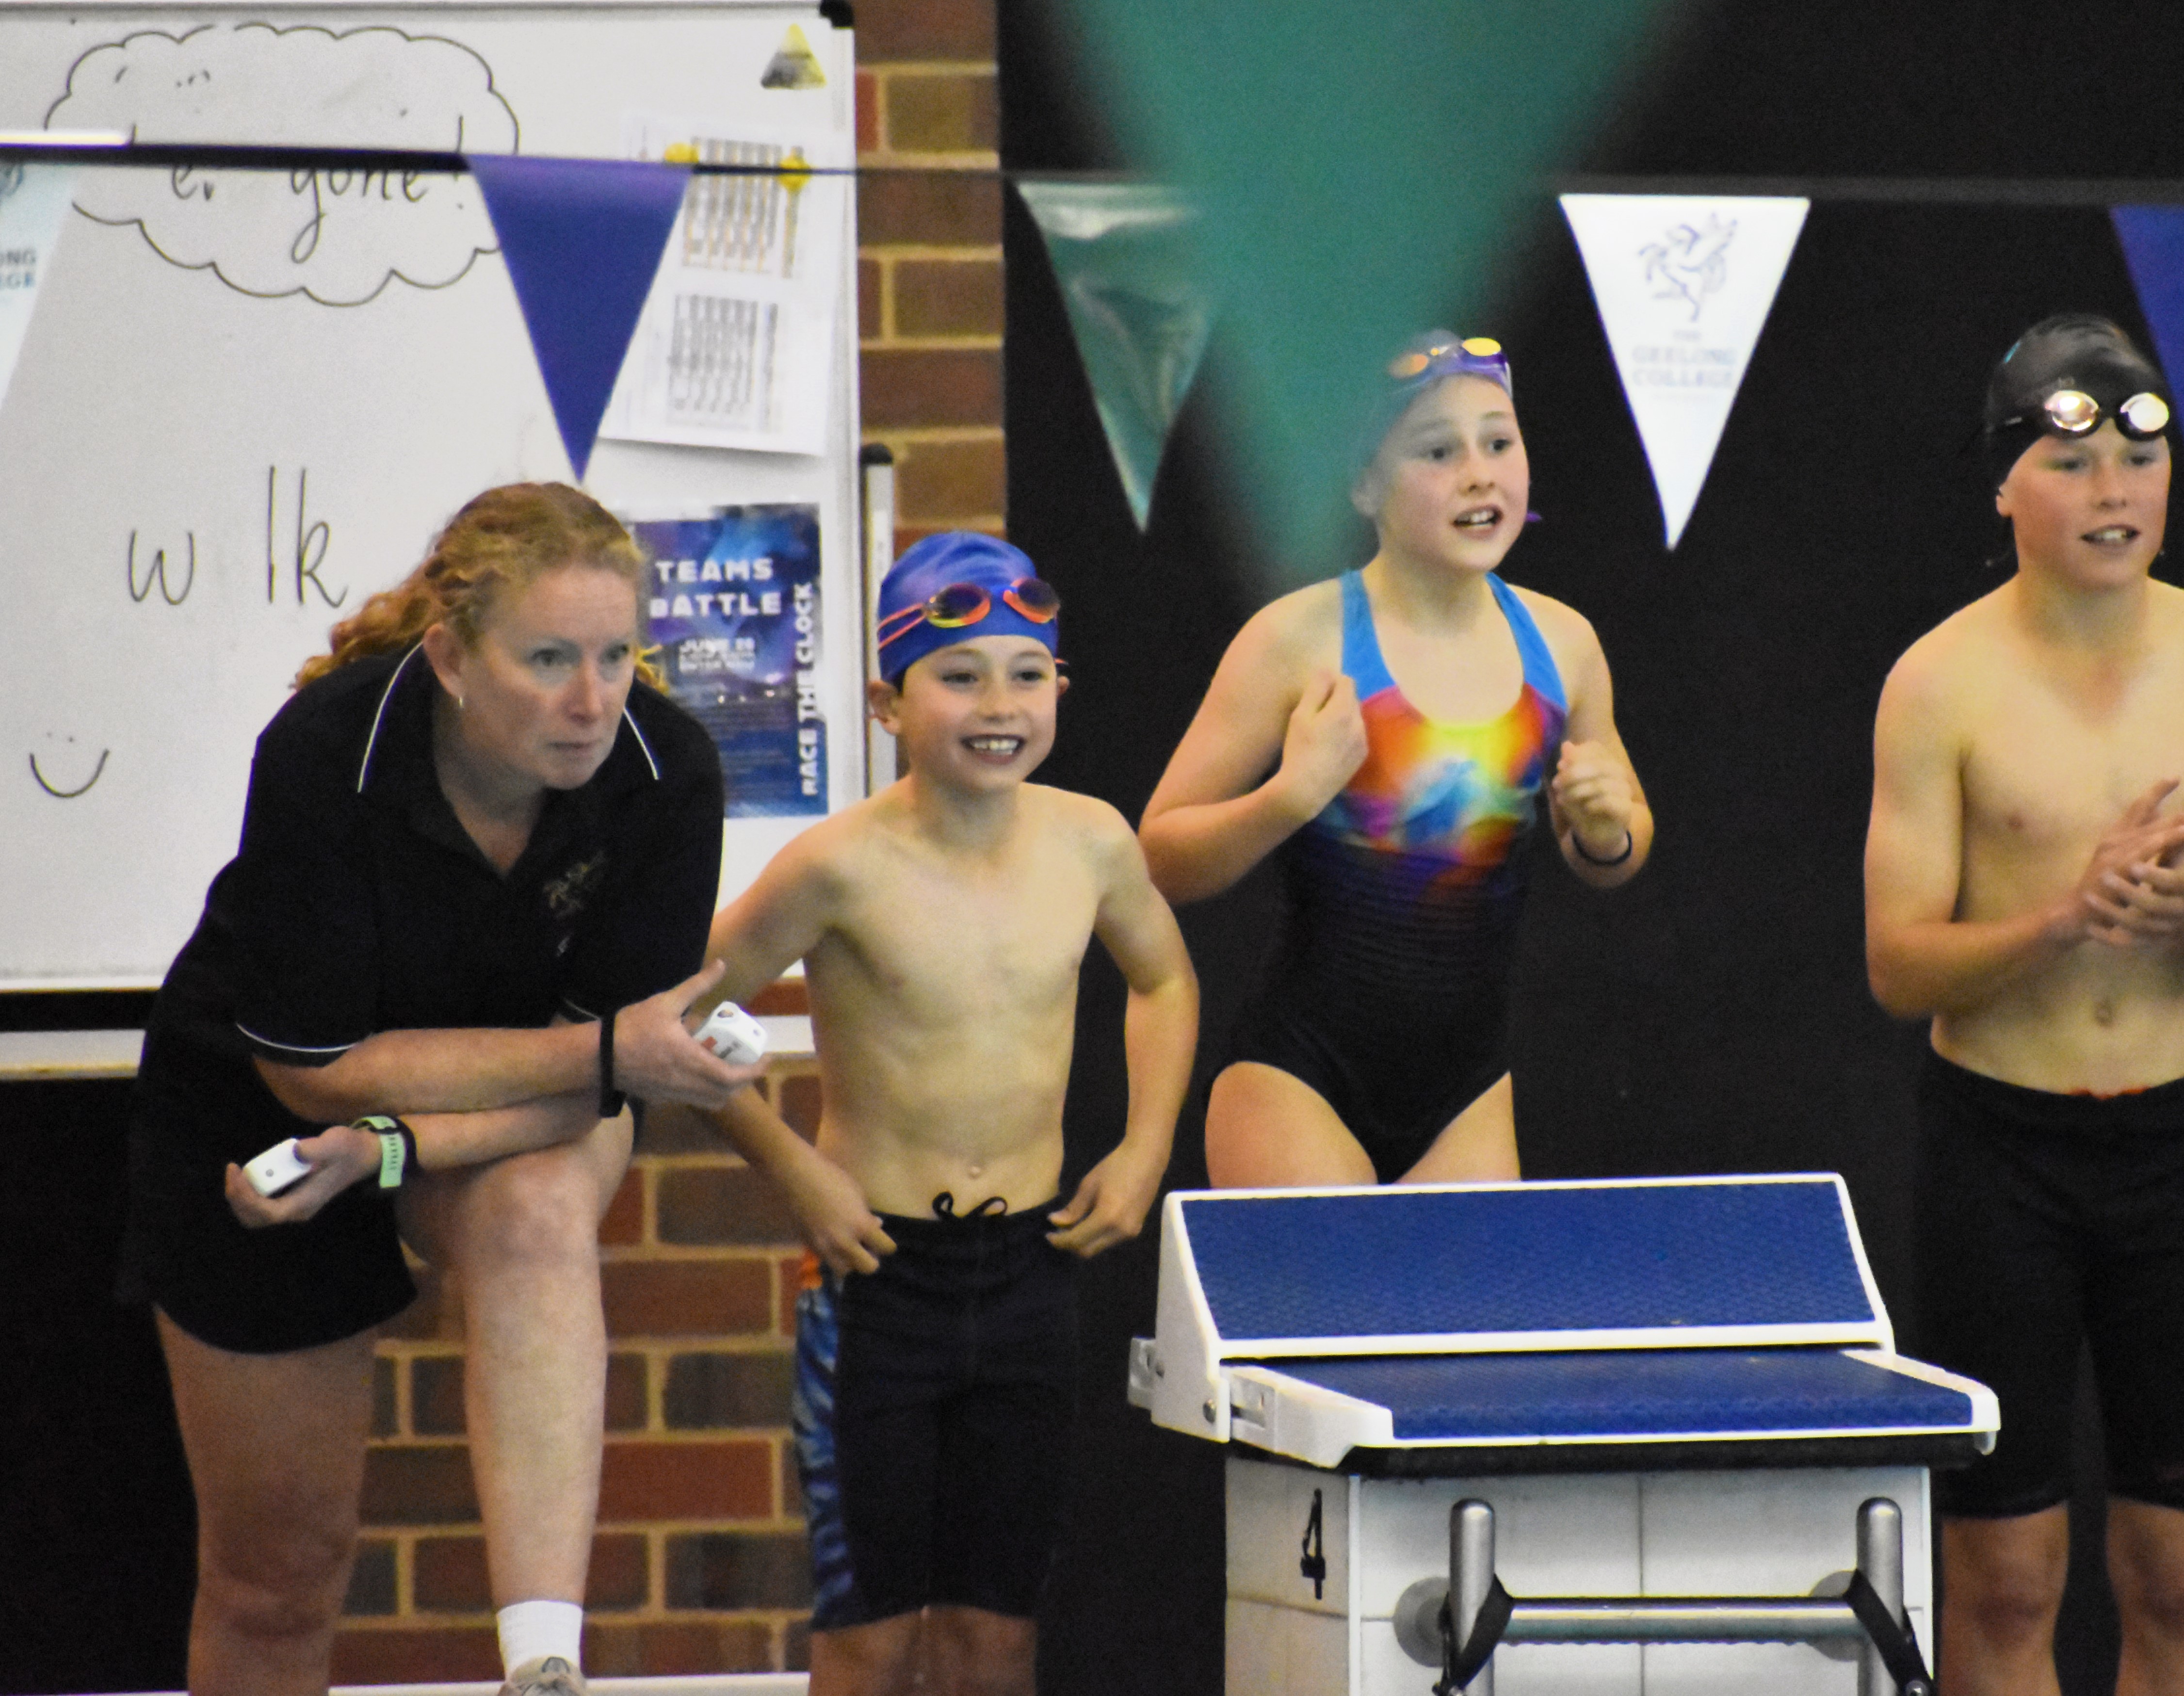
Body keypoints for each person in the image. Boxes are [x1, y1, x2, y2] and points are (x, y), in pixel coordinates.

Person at [122, 483, 762, 1696]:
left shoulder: (664, 774)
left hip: (510, 1115)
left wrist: (397, 1147)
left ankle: (543, 1664)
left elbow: (589, 1097)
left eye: (618, 654)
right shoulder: (325, 749)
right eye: (548, 659)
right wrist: (608, 1053)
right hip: (255, 1110)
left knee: (535, 1215)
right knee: (277, 1577)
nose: (593, 699)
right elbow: (311, 1070)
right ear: (454, 661)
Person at [1862, 315, 2184, 1695]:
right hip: (1998, 1150)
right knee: (2001, 1579)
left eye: (2135, 457)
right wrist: (2062, 918)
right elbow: (1894, 965)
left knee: (2180, 1570)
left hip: (2182, 1149)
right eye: (2068, 461)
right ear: (2001, 486)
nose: (2111, 489)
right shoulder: (1937, 684)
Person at [698, 531, 1198, 1696]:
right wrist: (792, 1167)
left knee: (994, 1637)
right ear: (887, 701)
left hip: (1031, 1271)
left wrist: (1144, 1147)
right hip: (878, 1279)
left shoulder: (1091, 842)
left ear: (1059, 689)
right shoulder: (836, 868)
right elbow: (674, 1024)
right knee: (871, 1637)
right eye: (958, 675)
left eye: (1026, 674)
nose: (998, 705)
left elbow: (1165, 979)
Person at [1139, 333, 1650, 1188]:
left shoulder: (1565, 646)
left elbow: (1619, 850)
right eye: (1436, 452)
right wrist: (1288, 797)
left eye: (1498, 441)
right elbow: (1155, 857)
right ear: (1363, 485)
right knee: (1334, 1324)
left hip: (1467, 1096)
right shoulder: (1298, 641)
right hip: (1297, 1082)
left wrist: (1604, 830)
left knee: (1466, 1328)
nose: (1479, 473)